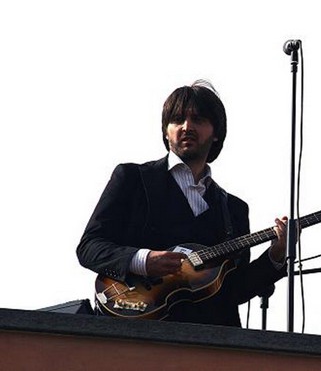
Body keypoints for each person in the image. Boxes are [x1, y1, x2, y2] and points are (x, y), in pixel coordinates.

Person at [76, 80, 287, 326]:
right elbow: (89, 247)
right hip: (140, 334)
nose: (187, 127)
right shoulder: (132, 179)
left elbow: (235, 291)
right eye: (177, 120)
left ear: (216, 132)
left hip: (214, 343)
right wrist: (143, 260)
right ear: (166, 131)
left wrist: (276, 255)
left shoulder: (234, 209)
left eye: (198, 120)